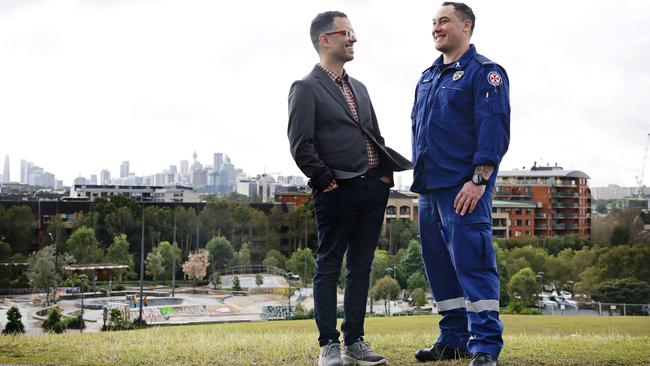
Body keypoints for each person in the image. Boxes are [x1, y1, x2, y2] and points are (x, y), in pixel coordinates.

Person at [288, 11, 410, 366]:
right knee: (329, 266)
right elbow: (301, 144)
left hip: (373, 189)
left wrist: (385, 177)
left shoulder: (360, 88)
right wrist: (326, 180)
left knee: (362, 267)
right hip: (336, 191)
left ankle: (355, 341)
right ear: (325, 40)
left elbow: (375, 135)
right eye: (347, 32)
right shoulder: (306, 87)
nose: (353, 39)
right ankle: (328, 344)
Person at [410, 3, 510, 366]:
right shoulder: (427, 77)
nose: (436, 27)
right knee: (440, 271)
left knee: (474, 267)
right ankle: (453, 338)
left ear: (466, 26)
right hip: (429, 190)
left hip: (465, 190)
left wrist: (479, 180)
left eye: (444, 21)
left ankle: (484, 347)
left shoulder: (485, 73)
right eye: (433, 22)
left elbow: (493, 128)